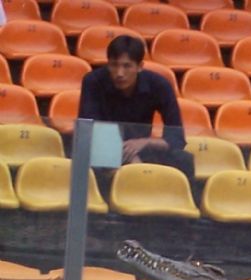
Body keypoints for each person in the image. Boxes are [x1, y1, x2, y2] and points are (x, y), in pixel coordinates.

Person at [78, 34, 195, 185]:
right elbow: (89, 130)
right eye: (114, 65)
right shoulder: (93, 81)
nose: (120, 73)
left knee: (183, 159)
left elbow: (177, 138)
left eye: (127, 66)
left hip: (140, 149)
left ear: (139, 66)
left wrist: (144, 142)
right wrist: (132, 162)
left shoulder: (159, 85)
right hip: (103, 149)